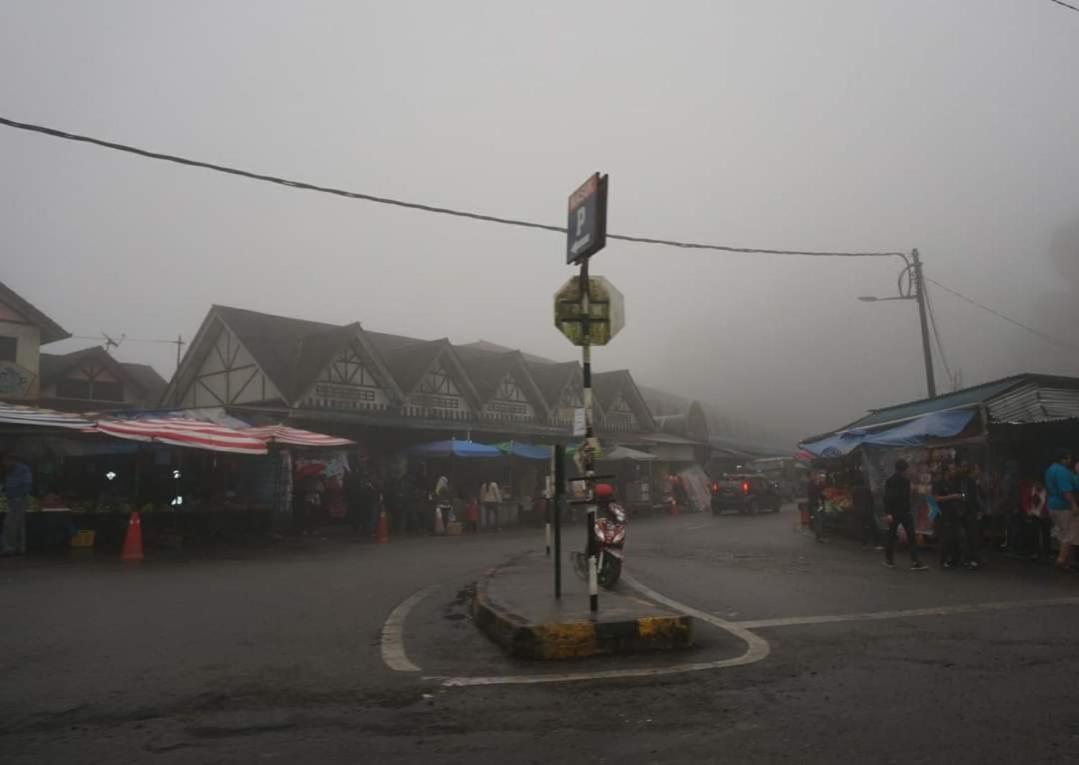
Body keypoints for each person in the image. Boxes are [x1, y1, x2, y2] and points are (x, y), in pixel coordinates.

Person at [883, 459, 927, 570]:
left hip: (893, 513)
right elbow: (906, 496)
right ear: (905, 469)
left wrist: (888, 512)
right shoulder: (906, 481)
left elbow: (887, 497)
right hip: (905, 512)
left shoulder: (890, 480)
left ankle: (889, 561)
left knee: (891, 537)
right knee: (911, 537)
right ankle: (915, 562)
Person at [1044, 449, 1079, 571]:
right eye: (1069, 458)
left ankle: (1064, 559)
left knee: (1061, 532)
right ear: (1063, 459)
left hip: (1052, 505)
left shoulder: (1050, 469)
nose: (1070, 461)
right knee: (1068, 534)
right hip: (1063, 506)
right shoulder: (1062, 472)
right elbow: (1066, 491)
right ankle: (1062, 560)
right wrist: (1074, 505)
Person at [933, 461, 966, 569]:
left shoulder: (954, 482)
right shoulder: (939, 482)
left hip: (953, 513)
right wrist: (953, 496)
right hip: (943, 514)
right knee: (946, 538)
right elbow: (936, 498)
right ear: (946, 471)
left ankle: (954, 559)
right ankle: (943, 560)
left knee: (956, 537)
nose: (955, 471)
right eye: (952, 469)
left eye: (955, 469)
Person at [1, 453, 32, 557]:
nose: (4, 463)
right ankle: (20, 548)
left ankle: (9, 548)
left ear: (11, 460)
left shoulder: (23, 469)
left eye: (5, 461)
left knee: (9, 524)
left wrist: (20, 496)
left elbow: (27, 483)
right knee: (18, 524)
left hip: (18, 500)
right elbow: (7, 484)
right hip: (12, 499)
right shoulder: (9, 470)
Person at [960, 463, 984, 569]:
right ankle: (968, 559)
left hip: (972, 512)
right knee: (970, 536)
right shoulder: (969, 482)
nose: (979, 472)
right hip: (969, 513)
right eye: (977, 470)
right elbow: (968, 497)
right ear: (973, 471)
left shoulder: (972, 482)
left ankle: (972, 558)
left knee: (973, 536)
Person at [806, 474, 825, 543]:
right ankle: (819, 537)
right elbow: (819, 491)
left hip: (816, 505)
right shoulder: (812, 485)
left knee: (818, 520)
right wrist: (820, 484)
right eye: (814, 476)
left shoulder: (813, 484)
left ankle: (819, 536)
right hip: (815, 505)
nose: (816, 477)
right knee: (818, 520)